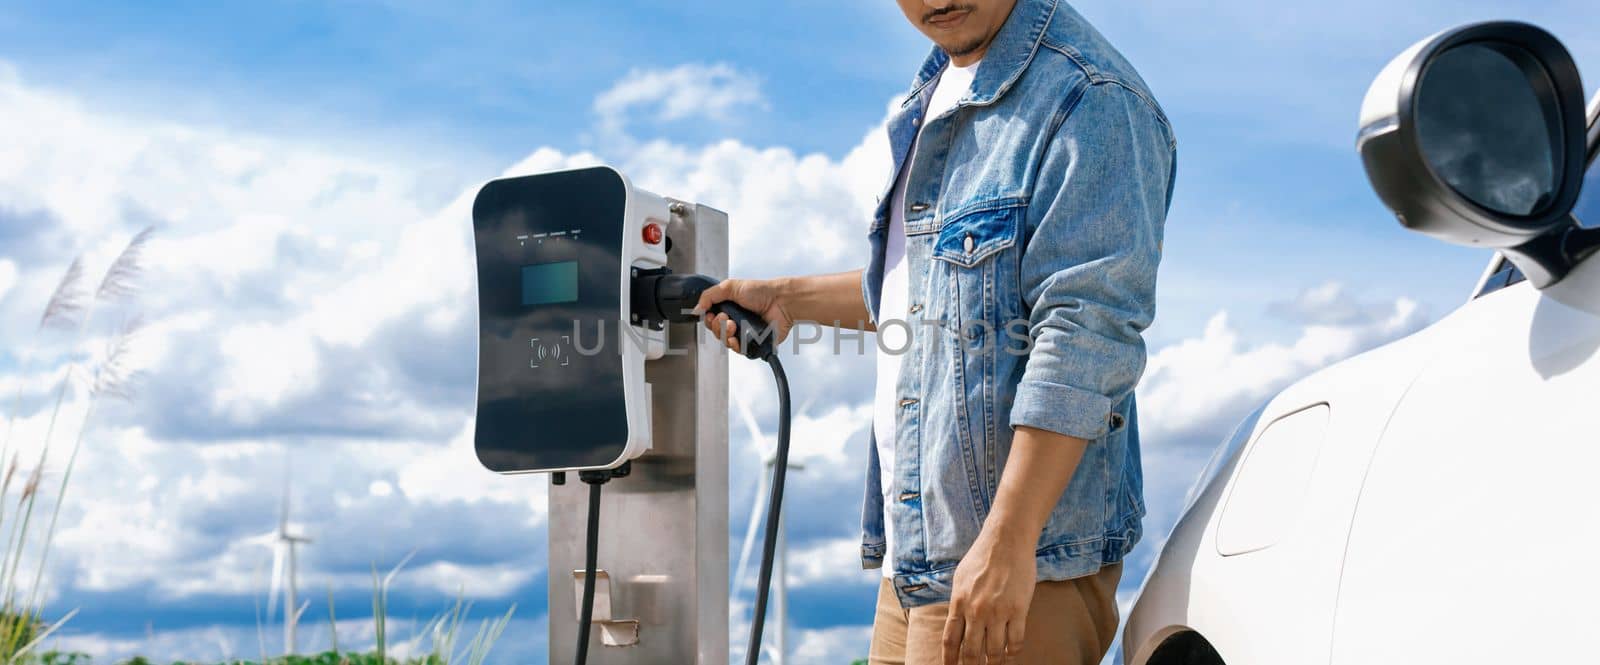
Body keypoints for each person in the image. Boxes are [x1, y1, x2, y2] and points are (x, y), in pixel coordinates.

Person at [695, 1, 1175, 663]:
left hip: (1015, 569)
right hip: (915, 564)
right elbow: (936, 297)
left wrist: (1008, 540)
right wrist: (789, 299)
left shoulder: (1089, 97)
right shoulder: (935, 92)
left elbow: (1085, 336)